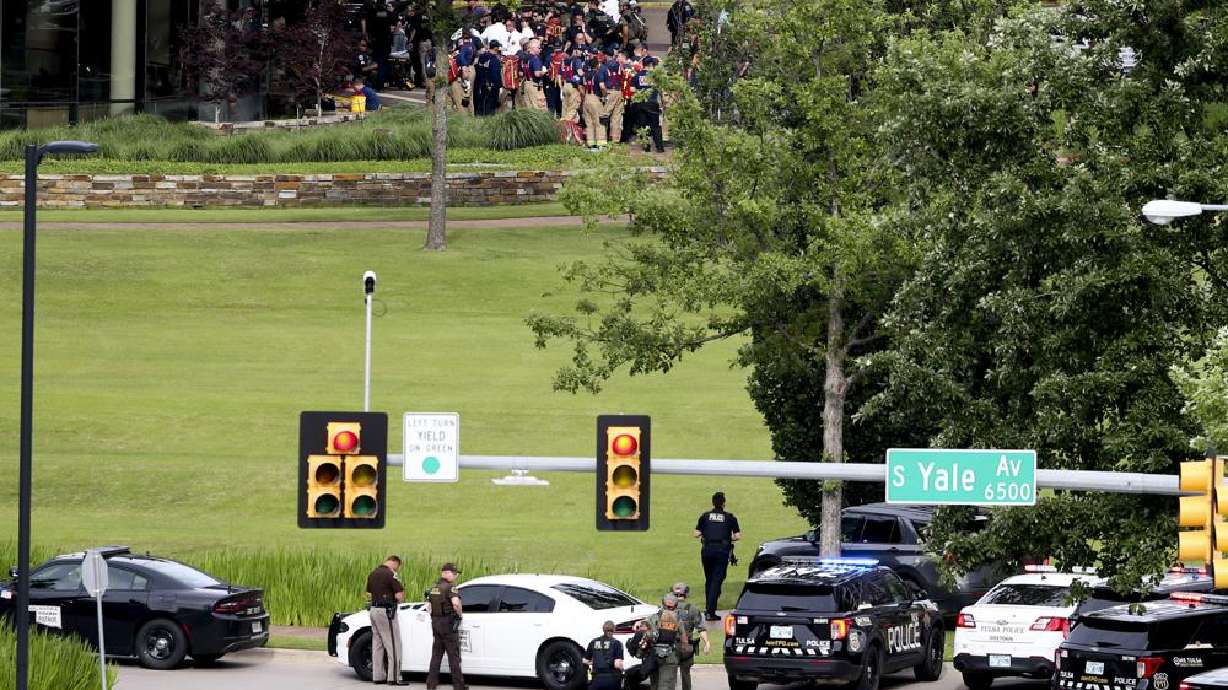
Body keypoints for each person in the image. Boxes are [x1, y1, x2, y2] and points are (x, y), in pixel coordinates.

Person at [694, 491, 741, 621]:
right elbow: (737, 536)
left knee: (709, 579)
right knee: (717, 580)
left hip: (707, 550)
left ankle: (709, 608)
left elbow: (696, 534)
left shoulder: (705, 516)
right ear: (724, 503)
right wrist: (726, 537)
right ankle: (710, 612)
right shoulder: (730, 517)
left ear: (713, 503)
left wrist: (708, 533)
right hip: (721, 551)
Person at [366, 555, 406, 686]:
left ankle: (378, 676)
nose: (397, 570)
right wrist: (399, 600)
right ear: (394, 563)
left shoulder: (373, 573)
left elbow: (369, 594)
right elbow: (399, 595)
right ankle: (394, 678)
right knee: (393, 644)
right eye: (398, 567)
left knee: (377, 644)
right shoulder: (391, 574)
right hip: (386, 612)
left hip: (373, 610)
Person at [427, 563, 465, 690]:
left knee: (436, 655)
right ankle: (459, 686)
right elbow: (455, 604)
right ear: (446, 573)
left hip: (436, 623)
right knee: (453, 656)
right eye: (454, 574)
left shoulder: (434, 588)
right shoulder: (450, 587)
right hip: (448, 624)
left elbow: (429, 607)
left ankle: (431, 685)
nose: (455, 576)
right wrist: (459, 615)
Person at [668, 583, 709, 690]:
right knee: (686, 674)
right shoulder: (692, 609)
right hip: (687, 647)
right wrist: (707, 643)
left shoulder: (667, 608)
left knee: (670, 676)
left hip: (672, 647)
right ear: (686, 594)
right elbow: (701, 628)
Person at [643, 594, 687, 690]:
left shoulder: (652, 618)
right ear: (676, 606)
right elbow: (684, 641)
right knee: (667, 685)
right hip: (670, 657)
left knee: (654, 684)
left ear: (662, 603)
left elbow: (645, 636)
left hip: (653, 656)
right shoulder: (678, 620)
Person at [583, 621, 625, 690]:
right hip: (612, 679)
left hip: (595, 679)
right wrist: (622, 669)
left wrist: (595, 662)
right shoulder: (617, 643)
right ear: (614, 629)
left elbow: (585, 661)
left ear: (603, 629)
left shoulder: (593, 642)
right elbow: (617, 664)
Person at [474, 40, 503, 116]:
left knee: (482, 102)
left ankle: (479, 117)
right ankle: (488, 119)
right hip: (492, 85)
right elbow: (495, 74)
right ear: (496, 48)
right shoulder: (495, 60)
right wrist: (499, 85)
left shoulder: (482, 57)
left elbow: (478, 68)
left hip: (481, 83)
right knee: (490, 106)